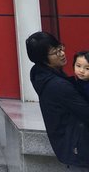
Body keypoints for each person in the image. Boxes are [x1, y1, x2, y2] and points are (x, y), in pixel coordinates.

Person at [26, 31, 89, 169]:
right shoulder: (57, 85)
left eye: (60, 47)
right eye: (55, 52)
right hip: (80, 149)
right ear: (43, 59)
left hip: (72, 146)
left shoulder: (39, 72)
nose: (62, 53)